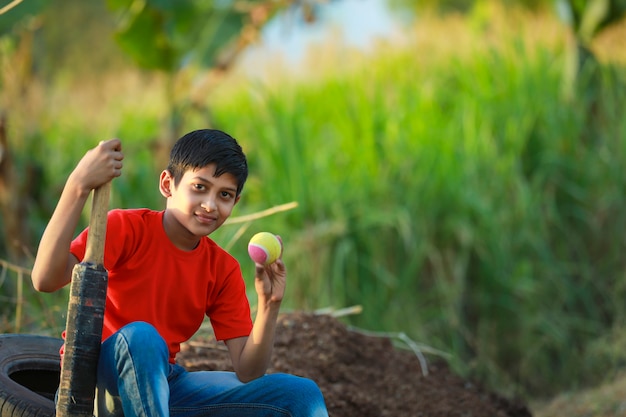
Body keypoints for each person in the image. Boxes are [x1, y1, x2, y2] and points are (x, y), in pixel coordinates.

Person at [31, 129, 329, 417]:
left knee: (300, 394)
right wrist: (78, 185)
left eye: (224, 195)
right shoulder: (126, 229)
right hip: (97, 385)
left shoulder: (222, 269)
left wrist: (269, 304)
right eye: (199, 187)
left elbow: (249, 371)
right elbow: (44, 279)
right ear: (167, 184)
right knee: (143, 337)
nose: (210, 205)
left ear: (235, 203)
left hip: (163, 387)